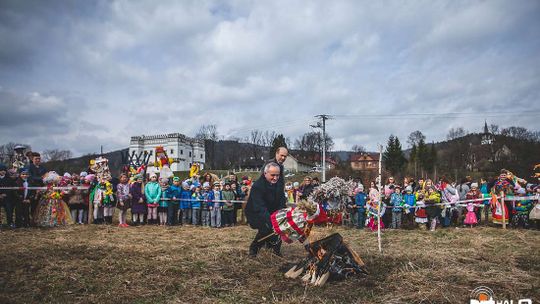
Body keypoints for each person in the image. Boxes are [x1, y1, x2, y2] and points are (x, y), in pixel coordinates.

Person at [245, 162, 286, 257]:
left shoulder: (279, 183)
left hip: (272, 210)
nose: (275, 178)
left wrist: (281, 215)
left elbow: (281, 200)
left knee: (280, 227)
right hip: (255, 212)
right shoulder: (258, 186)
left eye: (277, 175)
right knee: (266, 228)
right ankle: (254, 248)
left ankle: (275, 250)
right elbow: (260, 207)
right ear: (265, 173)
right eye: (272, 175)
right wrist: (271, 222)